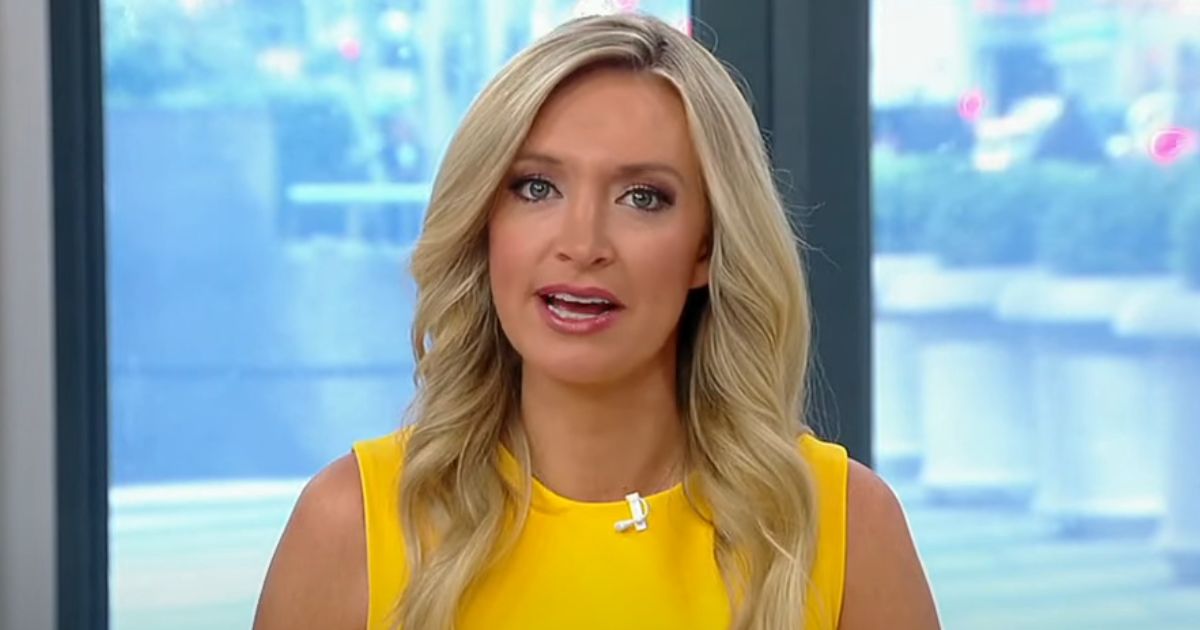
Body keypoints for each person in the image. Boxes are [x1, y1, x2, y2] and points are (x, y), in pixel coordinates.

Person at [253, 13, 939, 630]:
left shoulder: (842, 528)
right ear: (485, 222)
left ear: (706, 247)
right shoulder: (352, 526)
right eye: (537, 187)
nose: (582, 244)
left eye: (643, 197)